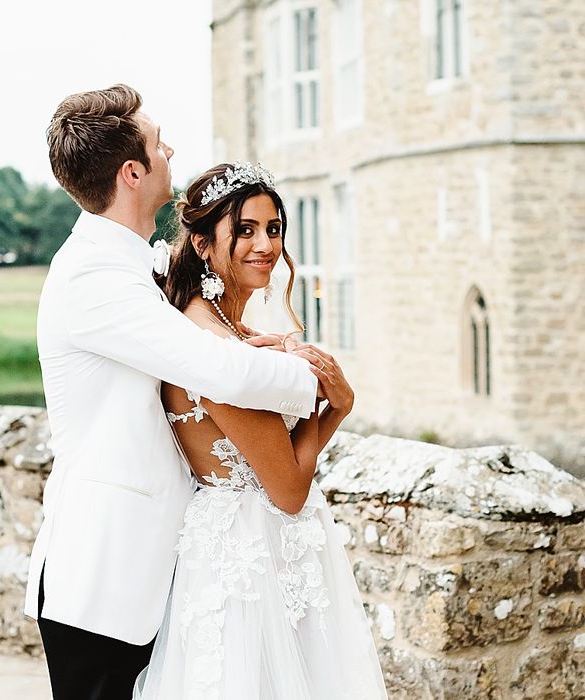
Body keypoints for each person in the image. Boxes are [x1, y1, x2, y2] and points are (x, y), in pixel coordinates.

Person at [24, 85, 329, 700]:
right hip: (103, 577)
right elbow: (223, 375)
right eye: (159, 142)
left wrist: (242, 336)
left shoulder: (134, 266)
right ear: (133, 172)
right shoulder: (94, 277)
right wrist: (317, 380)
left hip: (155, 569)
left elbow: (205, 351)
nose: (172, 150)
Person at [133, 162, 389, 699]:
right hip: (249, 552)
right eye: (244, 230)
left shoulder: (223, 327)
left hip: (255, 545)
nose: (265, 245)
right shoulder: (214, 349)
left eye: (273, 229)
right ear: (203, 245)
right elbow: (290, 490)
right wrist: (335, 410)